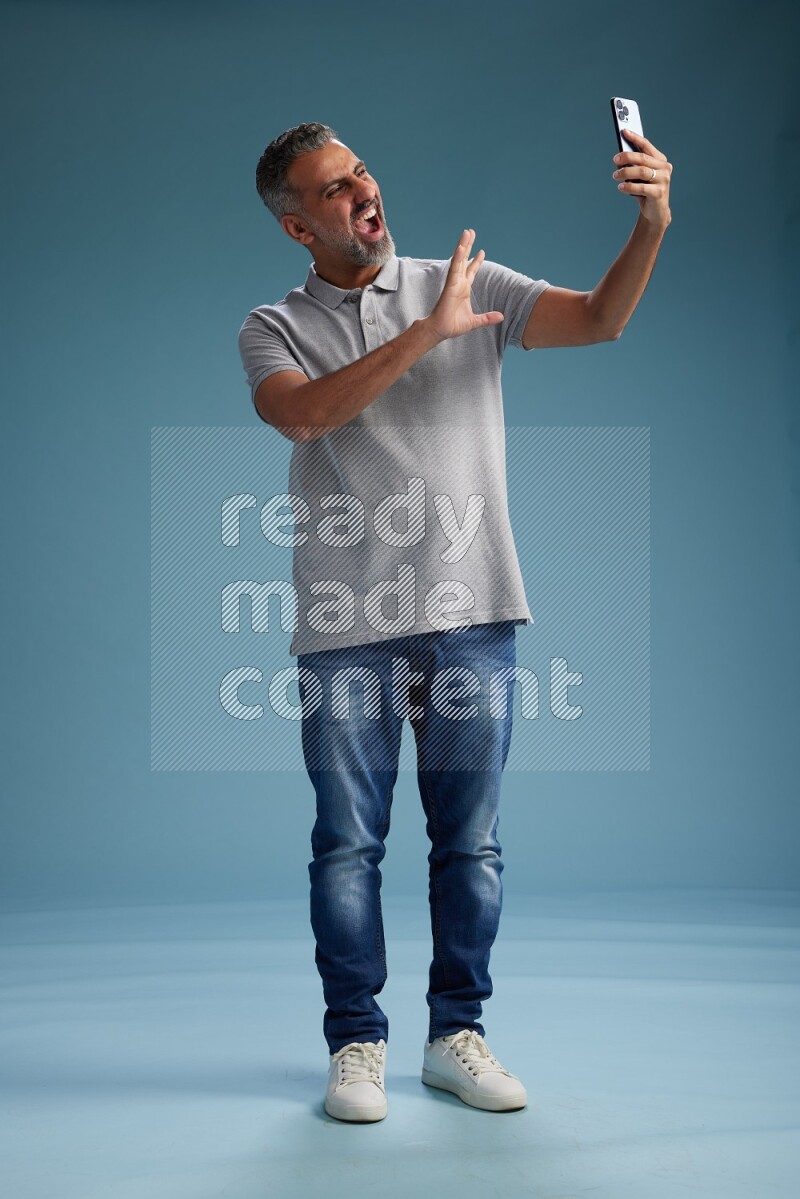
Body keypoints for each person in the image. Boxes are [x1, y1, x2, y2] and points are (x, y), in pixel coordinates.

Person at [237, 123, 672, 1123]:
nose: (361, 190)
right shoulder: (273, 323)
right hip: (345, 623)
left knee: (467, 844)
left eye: (361, 171)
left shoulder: (463, 281)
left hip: (473, 610)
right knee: (346, 844)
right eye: (333, 189)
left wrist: (650, 220)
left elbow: (601, 319)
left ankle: (453, 1035)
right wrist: (421, 336)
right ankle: (355, 1043)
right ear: (300, 226)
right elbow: (301, 415)